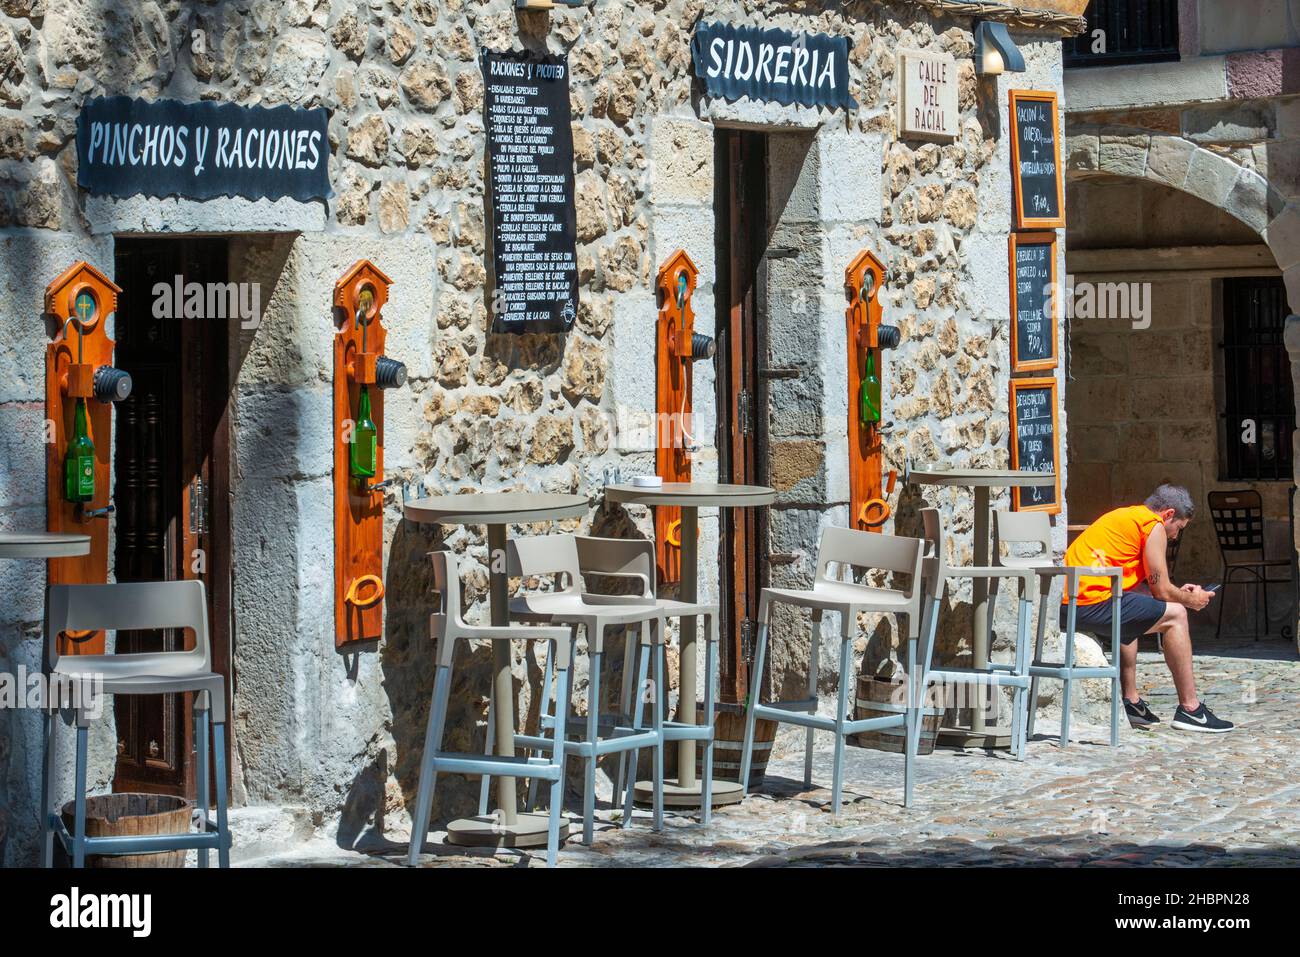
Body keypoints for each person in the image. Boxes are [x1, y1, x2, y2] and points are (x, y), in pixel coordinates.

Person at [1062, 484, 1233, 733]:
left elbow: (1147, 590)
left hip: (1070, 602)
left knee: (1134, 604)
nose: (1175, 536)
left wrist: (1178, 593)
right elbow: (1161, 591)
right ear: (1168, 514)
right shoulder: (1153, 525)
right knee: (1176, 616)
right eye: (1179, 528)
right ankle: (1191, 709)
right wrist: (1190, 600)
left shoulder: (1127, 516)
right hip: (1089, 603)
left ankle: (1131, 702)